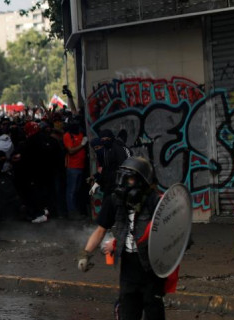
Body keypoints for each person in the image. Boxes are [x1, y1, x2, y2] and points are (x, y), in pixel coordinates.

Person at [78, 157, 167, 320]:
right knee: (127, 312)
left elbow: (173, 233)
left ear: (142, 181)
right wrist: (85, 254)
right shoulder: (115, 201)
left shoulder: (157, 203)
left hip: (152, 268)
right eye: (122, 178)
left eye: (130, 179)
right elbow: (100, 230)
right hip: (129, 268)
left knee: (154, 311)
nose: (124, 183)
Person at [64, 120, 87, 219]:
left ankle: (76, 210)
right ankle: (72, 212)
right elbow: (70, 151)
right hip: (72, 167)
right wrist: (82, 145)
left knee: (77, 190)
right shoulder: (68, 136)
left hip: (81, 166)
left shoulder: (81, 134)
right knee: (71, 191)